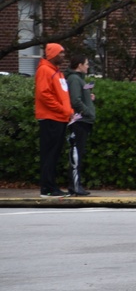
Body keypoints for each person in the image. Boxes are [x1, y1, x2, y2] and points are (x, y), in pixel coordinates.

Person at [35, 43, 73, 197]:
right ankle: (47, 188)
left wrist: (67, 111)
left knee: (54, 154)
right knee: (50, 154)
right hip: (51, 118)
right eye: (61, 53)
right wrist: (64, 110)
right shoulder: (45, 70)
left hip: (59, 118)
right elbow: (44, 95)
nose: (63, 56)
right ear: (52, 55)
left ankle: (50, 186)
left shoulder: (57, 73)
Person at [65, 53, 96, 196]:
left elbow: (79, 97)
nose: (88, 66)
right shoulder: (75, 79)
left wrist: (89, 98)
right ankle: (75, 186)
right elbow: (75, 101)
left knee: (78, 153)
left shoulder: (79, 80)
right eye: (86, 63)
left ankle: (77, 185)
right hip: (80, 121)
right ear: (79, 65)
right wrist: (88, 111)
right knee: (76, 155)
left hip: (83, 121)